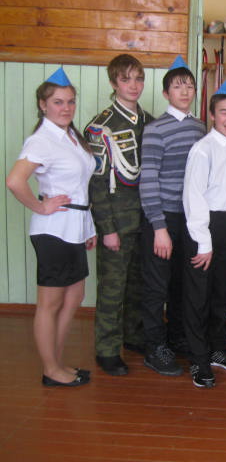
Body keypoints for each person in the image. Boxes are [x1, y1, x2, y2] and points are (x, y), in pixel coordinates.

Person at [6, 68, 96, 387]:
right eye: (58, 102)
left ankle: (56, 363)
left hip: (75, 227)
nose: (66, 108)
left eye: (70, 101)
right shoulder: (41, 140)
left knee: (74, 297)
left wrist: (88, 228)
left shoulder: (70, 136)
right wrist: (41, 206)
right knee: (51, 303)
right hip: (54, 230)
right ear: (43, 105)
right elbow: (15, 181)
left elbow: (80, 187)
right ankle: (50, 370)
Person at [84, 54, 153, 376]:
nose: (133, 86)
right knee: (112, 288)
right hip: (117, 223)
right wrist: (107, 228)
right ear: (114, 83)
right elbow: (96, 185)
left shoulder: (150, 122)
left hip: (145, 221)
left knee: (138, 284)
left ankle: (133, 335)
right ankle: (107, 349)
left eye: (138, 78)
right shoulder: (102, 127)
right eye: (126, 79)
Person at [139, 56, 206, 376]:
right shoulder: (155, 130)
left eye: (189, 86)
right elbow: (148, 179)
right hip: (162, 218)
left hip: (190, 219)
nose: (185, 91)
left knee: (182, 283)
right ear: (166, 93)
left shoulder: (200, 128)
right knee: (157, 285)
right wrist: (159, 227)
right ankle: (155, 347)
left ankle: (177, 336)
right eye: (178, 86)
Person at [182, 79, 226, 388]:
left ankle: (217, 349)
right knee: (198, 296)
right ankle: (198, 359)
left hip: (224, 225)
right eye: (224, 112)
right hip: (202, 228)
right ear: (211, 115)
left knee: (222, 292)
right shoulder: (203, 150)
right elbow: (193, 198)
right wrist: (203, 242)